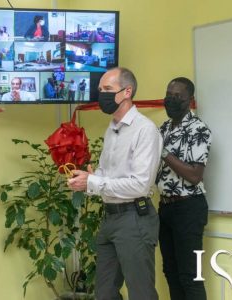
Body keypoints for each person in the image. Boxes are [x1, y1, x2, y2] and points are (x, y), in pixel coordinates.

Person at [68, 67, 162, 300]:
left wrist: (95, 182)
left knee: (141, 293)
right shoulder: (113, 129)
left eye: (108, 89)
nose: (102, 94)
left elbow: (140, 185)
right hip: (110, 217)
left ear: (127, 91)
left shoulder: (145, 130)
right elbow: (107, 174)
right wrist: (88, 179)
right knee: (105, 292)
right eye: (100, 90)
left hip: (134, 218)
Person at [156, 77, 212, 300]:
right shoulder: (164, 128)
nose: (171, 100)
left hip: (189, 208)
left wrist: (163, 152)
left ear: (190, 100)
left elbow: (194, 176)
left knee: (190, 276)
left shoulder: (199, 129)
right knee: (170, 272)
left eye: (177, 96)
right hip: (165, 207)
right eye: (169, 95)